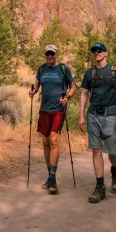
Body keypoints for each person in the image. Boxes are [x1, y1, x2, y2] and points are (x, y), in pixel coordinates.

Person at [79, 43, 116, 203]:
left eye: (100, 51)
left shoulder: (115, 71)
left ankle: (115, 169)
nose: (97, 53)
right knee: (96, 150)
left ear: (106, 53)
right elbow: (84, 94)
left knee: (113, 151)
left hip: (112, 114)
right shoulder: (89, 73)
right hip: (93, 114)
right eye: (94, 51)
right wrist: (81, 116)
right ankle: (100, 187)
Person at [29, 44, 76, 194]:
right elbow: (36, 86)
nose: (50, 56)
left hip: (58, 110)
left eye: (52, 54)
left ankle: (53, 178)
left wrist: (67, 97)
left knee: (54, 139)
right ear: (45, 55)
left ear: (56, 54)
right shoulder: (42, 69)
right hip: (44, 110)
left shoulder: (63, 69)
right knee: (45, 141)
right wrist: (33, 91)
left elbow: (73, 86)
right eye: (47, 54)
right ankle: (49, 176)